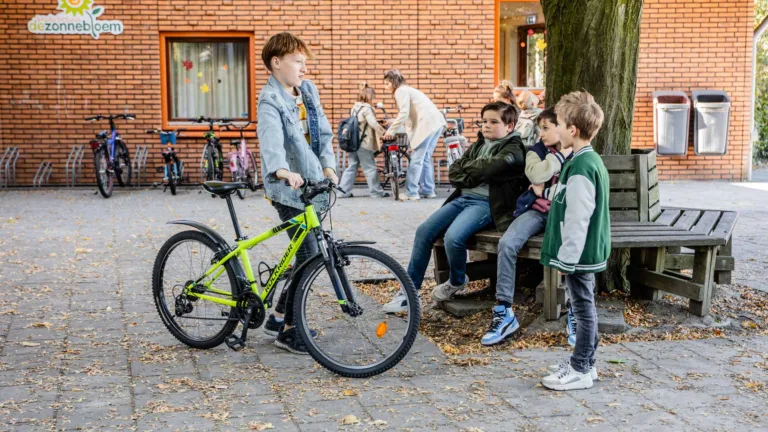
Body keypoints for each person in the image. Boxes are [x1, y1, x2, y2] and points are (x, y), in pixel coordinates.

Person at [382, 102, 527, 313]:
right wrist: (475, 169)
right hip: (462, 199)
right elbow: (455, 171)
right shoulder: (480, 144)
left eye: (493, 122)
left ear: (510, 126)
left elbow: (492, 168)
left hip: (487, 205)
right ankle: (408, 294)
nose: (486, 126)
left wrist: (471, 168)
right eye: (484, 121)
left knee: (453, 238)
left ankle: (457, 280)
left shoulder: (514, 149)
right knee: (424, 232)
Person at [257, 32, 338, 354]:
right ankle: (289, 331)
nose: (303, 68)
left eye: (305, 62)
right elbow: (271, 141)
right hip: (288, 190)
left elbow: (324, 133)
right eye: (297, 62)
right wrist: (281, 170)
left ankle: (277, 316)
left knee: (303, 253)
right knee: (308, 255)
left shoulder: (308, 91)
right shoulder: (270, 100)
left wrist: (329, 167)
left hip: (314, 186)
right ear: (277, 63)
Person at [480, 107, 572, 346]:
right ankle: (504, 312)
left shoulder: (579, 154)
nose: (540, 133)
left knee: (575, 247)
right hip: (537, 212)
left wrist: (548, 189)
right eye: (539, 128)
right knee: (507, 243)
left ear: (561, 128)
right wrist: (559, 158)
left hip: (566, 214)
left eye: (546, 128)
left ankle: (576, 311)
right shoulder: (535, 151)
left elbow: (573, 191)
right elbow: (536, 175)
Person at [536, 91, 609, 391]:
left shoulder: (581, 165)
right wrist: (548, 193)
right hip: (583, 251)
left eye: (561, 123)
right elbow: (569, 197)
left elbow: (579, 216)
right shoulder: (582, 160)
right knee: (583, 305)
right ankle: (586, 363)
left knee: (582, 308)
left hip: (579, 253)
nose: (558, 128)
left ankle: (580, 367)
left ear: (573, 130)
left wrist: (567, 260)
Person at [382, 70, 446, 200]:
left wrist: (391, 130)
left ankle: (412, 193)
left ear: (394, 82)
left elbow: (404, 113)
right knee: (425, 158)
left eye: (387, 84)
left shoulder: (400, 91)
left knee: (416, 158)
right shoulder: (408, 90)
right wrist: (394, 121)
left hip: (427, 125)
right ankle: (428, 191)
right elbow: (410, 113)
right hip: (436, 122)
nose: (386, 87)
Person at [338, 82, 389, 198]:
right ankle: (376, 192)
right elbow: (373, 124)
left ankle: (342, 192)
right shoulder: (366, 109)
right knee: (370, 168)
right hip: (363, 143)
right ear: (369, 96)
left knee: (351, 167)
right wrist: (384, 132)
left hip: (353, 142)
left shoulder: (354, 108)